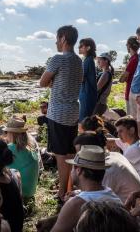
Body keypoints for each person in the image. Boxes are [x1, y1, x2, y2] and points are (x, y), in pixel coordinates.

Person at [39, 25, 83, 200]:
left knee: (60, 155)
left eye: (57, 38)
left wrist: (52, 82)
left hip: (58, 112)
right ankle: (67, 187)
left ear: (63, 38)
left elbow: (43, 82)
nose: (56, 42)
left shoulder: (58, 59)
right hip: (73, 111)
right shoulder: (78, 60)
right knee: (70, 153)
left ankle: (62, 192)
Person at [38, 145, 121, 232]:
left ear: (79, 170)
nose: (71, 171)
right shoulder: (113, 196)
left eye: (73, 167)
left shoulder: (76, 204)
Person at [73, 132, 140, 203]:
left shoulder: (108, 168)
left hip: (133, 211)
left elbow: (96, 198)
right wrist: (77, 192)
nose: (77, 156)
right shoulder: (113, 155)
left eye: (79, 152)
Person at [2, 117, 39, 200]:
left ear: (11, 133)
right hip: (31, 192)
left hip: (21, 194)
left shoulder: (9, 149)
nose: (5, 134)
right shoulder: (30, 148)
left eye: (6, 132)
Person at [114, 116, 140, 184]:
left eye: (121, 131)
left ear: (132, 130)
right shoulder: (139, 143)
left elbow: (115, 168)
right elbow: (113, 141)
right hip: (135, 184)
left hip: (134, 189)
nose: (118, 135)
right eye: (118, 132)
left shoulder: (135, 149)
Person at [119, 36, 140, 116]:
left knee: (131, 119)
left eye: (126, 44)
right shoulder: (138, 58)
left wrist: (124, 73)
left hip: (131, 93)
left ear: (129, 45)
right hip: (136, 92)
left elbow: (121, 79)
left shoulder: (133, 59)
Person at [78, 38, 98, 122]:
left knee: (84, 120)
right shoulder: (88, 60)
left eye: (81, 46)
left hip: (87, 94)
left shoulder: (87, 61)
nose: (79, 47)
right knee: (87, 119)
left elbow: (81, 78)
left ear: (88, 48)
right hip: (87, 94)